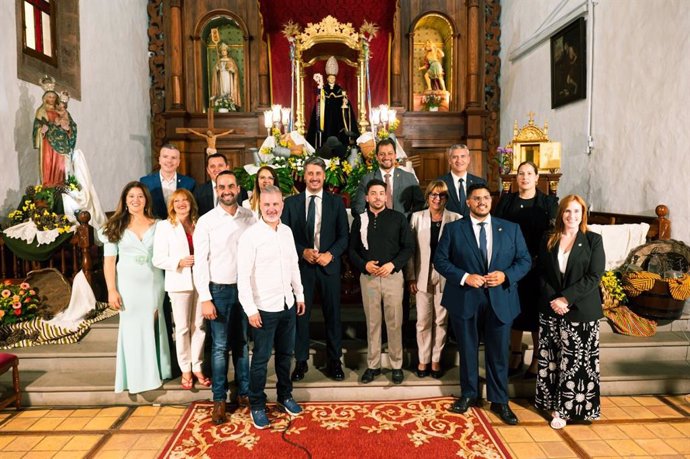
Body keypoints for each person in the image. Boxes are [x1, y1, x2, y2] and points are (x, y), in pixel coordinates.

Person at [434, 183, 531, 425]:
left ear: (491, 201)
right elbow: (440, 261)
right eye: (476, 198)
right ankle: (469, 394)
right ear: (468, 203)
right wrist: (466, 277)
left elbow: (525, 260)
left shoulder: (510, 229)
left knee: (498, 353)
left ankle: (499, 401)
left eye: (486, 198)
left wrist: (506, 275)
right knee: (467, 350)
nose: (482, 202)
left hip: (501, 299)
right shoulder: (454, 229)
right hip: (466, 298)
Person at [238, 185, 306, 430]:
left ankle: (285, 395)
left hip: (287, 303)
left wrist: (299, 295)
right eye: (267, 204)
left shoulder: (286, 232)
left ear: (282, 206)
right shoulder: (250, 236)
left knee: (286, 355)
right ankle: (257, 404)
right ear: (259, 205)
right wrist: (250, 309)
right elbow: (242, 276)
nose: (271, 208)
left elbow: (293, 266)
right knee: (261, 360)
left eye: (276, 204)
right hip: (263, 308)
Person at [535, 195, 605, 430]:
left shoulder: (593, 240)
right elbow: (542, 272)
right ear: (560, 214)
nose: (571, 216)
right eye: (567, 211)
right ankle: (552, 404)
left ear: (583, 214)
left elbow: (594, 276)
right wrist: (555, 300)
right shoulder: (549, 238)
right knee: (553, 360)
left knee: (577, 362)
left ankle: (568, 410)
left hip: (581, 311)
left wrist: (567, 298)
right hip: (552, 309)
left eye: (576, 211)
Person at [193, 170, 256, 424]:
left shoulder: (249, 217)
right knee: (219, 347)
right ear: (216, 190)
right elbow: (200, 263)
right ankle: (219, 399)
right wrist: (205, 297)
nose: (227, 190)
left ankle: (244, 393)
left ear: (238, 188)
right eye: (222, 187)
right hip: (218, 290)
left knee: (241, 344)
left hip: (244, 290)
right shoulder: (206, 221)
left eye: (231, 186)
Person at [281, 156, 349, 382]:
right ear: (304, 175)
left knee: (333, 315)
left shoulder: (336, 202)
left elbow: (344, 236)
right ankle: (300, 362)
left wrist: (331, 254)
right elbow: (285, 235)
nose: (314, 178)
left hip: (328, 266)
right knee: (301, 316)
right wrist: (302, 251)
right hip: (302, 268)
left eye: (318, 174)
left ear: (324, 175)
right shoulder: (291, 203)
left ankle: (334, 361)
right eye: (310, 173)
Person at [101, 181, 172, 394]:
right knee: (132, 328)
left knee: (152, 325)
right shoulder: (114, 227)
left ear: (146, 200)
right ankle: (136, 377)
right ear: (125, 200)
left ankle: (157, 370)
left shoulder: (159, 225)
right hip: (128, 284)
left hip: (153, 281)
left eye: (140, 196)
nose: (135, 200)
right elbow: (109, 262)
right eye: (131, 196)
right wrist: (112, 290)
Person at [493, 161, 558, 379]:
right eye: (521, 173)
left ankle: (538, 359)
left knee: (536, 312)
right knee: (514, 310)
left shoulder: (548, 202)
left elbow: (553, 234)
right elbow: (497, 230)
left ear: (537, 178)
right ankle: (515, 353)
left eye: (529, 173)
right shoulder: (507, 201)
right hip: (511, 266)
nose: (525, 177)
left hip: (538, 266)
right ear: (516, 177)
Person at [349, 179, 415, 385]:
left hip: (392, 278)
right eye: (373, 193)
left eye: (381, 193)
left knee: (394, 322)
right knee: (373, 322)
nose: (378, 197)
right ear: (367, 197)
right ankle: (373, 365)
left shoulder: (398, 218)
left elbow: (408, 247)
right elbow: (351, 250)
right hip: (368, 279)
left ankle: (396, 365)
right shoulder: (360, 220)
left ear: (386, 196)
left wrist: (392, 265)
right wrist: (364, 265)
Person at [152, 188, 208, 390]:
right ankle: (185, 368)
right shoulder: (165, 227)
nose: (182, 204)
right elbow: (157, 259)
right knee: (183, 327)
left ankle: (197, 366)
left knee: (199, 326)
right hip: (179, 282)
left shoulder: (200, 224)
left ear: (191, 202)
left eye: (185, 200)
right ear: (172, 205)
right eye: (177, 201)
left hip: (201, 282)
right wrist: (179, 261)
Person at [406, 180, 461, 379]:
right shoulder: (416, 218)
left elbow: (459, 253)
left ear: (447, 198)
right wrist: (411, 276)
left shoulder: (456, 218)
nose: (437, 199)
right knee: (422, 320)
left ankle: (436, 359)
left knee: (441, 320)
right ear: (427, 196)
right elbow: (410, 250)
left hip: (446, 277)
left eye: (442, 195)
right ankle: (423, 359)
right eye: (433, 195)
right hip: (422, 275)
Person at [351, 138, 424, 218]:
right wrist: (371, 221)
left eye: (390, 153)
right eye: (382, 154)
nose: (386, 157)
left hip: (402, 227)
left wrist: (407, 219)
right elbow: (357, 208)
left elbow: (421, 205)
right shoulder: (367, 179)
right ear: (377, 157)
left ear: (395, 155)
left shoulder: (409, 178)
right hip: (376, 227)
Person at [306, 56, 359, 148]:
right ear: (327, 79)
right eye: (330, 78)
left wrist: (345, 101)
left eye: (333, 78)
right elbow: (320, 100)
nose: (332, 80)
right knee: (325, 128)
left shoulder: (339, 89)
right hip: (325, 115)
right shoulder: (323, 89)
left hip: (337, 116)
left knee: (338, 129)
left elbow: (345, 100)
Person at [33, 89, 77, 186]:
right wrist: (41, 130)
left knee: (60, 165)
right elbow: (37, 127)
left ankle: (60, 186)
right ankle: (48, 187)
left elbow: (72, 126)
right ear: (44, 99)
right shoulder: (41, 111)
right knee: (48, 162)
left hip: (61, 143)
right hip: (47, 142)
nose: (52, 99)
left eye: (53, 97)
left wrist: (68, 128)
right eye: (49, 97)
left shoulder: (62, 111)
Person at [140, 144, 196, 219]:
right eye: (165, 157)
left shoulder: (189, 183)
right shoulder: (146, 182)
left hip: (180, 226)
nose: (169, 161)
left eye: (173, 158)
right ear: (159, 159)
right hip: (154, 226)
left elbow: (193, 209)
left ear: (178, 162)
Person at [438, 144, 486, 218]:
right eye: (454, 157)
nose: (459, 160)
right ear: (449, 161)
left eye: (463, 156)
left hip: (472, 227)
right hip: (449, 226)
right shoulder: (439, 182)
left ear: (468, 159)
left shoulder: (480, 182)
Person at [211, 43, 241, 108]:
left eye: (224, 50)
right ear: (221, 52)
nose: (223, 52)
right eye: (222, 51)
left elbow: (235, 70)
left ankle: (229, 101)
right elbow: (215, 72)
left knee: (228, 88)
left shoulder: (231, 60)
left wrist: (231, 69)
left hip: (228, 77)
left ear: (227, 51)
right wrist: (217, 68)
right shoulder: (219, 61)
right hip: (221, 77)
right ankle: (221, 101)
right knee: (222, 89)